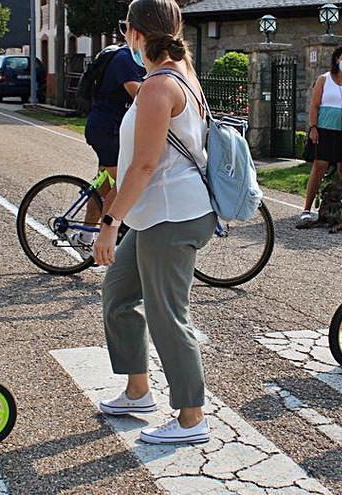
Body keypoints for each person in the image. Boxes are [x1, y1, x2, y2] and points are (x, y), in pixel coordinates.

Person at [92, 0, 216, 444]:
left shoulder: (159, 86)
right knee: (118, 293)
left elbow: (144, 165)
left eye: (127, 28)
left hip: (172, 216)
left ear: (134, 34)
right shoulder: (179, 73)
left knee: (167, 315)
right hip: (157, 214)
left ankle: (191, 418)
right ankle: (138, 391)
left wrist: (109, 222)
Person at [73, 42, 146, 255]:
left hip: (113, 129)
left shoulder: (138, 60)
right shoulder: (124, 59)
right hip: (106, 130)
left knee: (104, 186)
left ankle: (85, 236)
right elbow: (141, 96)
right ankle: (108, 238)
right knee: (123, 184)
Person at [298, 44, 342, 226]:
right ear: (336, 59)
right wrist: (313, 127)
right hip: (326, 129)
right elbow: (314, 106)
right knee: (319, 165)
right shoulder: (324, 79)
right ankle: (306, 209)